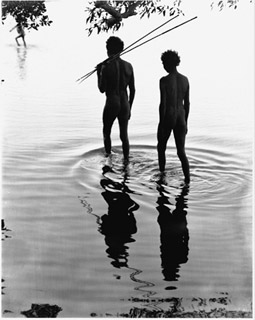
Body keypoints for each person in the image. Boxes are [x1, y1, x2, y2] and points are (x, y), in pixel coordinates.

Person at [96, 36, 135, 160]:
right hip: (124, 103)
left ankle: (108, 160)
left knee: (106, 132)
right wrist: (130, 107)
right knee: (124, 136)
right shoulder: (129, 66)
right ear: (121, 49)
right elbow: (132, 89)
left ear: (108, 50)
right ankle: (126, 161)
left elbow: (102, 89)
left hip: (112, 102)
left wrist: (99, 73)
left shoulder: (106, 67)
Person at [157, 50, 190, 183]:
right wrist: (186, 122)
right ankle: (188, 179)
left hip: (169, 116)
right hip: (181, 117)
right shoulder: (185, 80)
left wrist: (161, 123)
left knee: (161, 147)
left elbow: (163, 104)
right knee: (181, 152)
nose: (163, 66)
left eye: (163, 63)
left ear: (168, 63)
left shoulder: (164, 80)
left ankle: (162, 176)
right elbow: (187, 103)